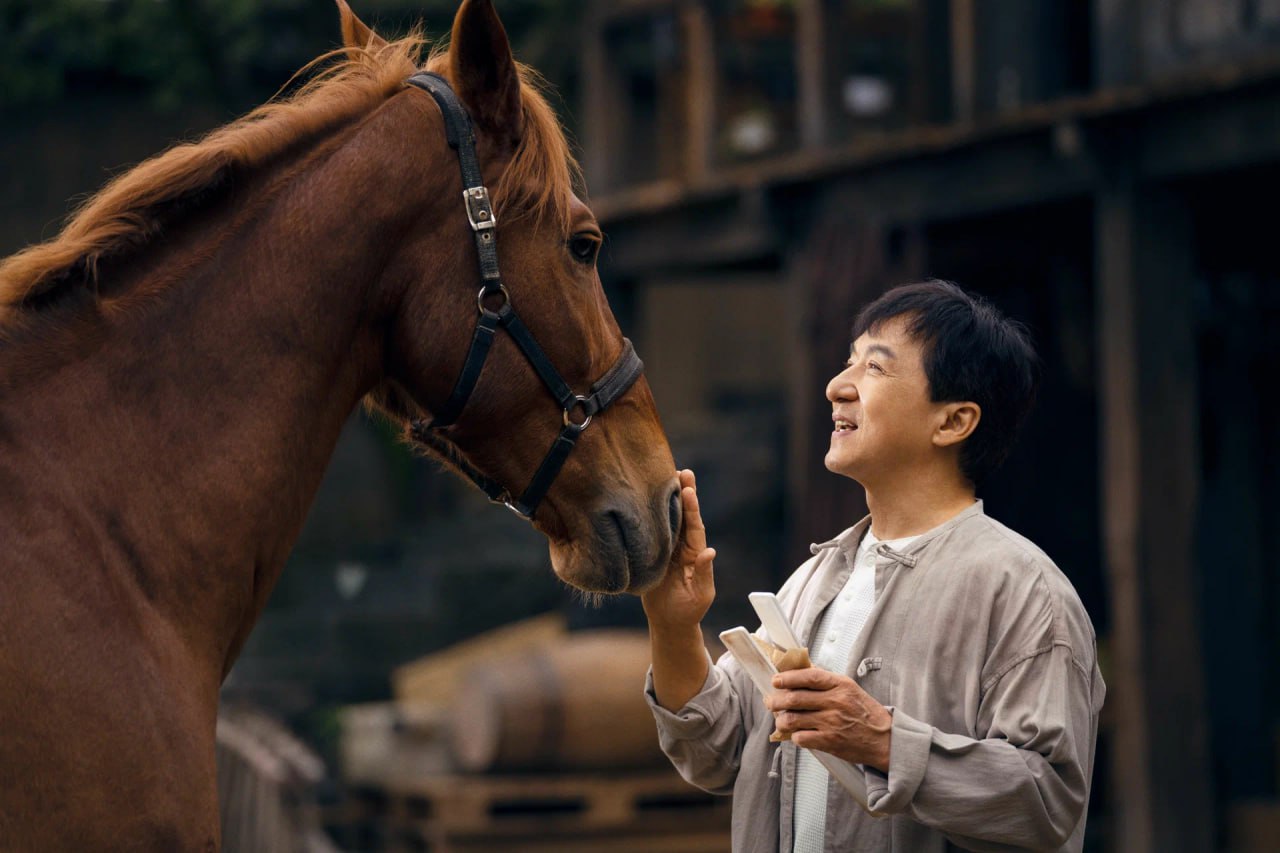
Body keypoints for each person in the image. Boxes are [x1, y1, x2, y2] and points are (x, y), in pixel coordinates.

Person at [642, 280, 1104, 852]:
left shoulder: (1025, 592)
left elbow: (1048, 804)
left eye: (876, 369)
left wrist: (884, 742)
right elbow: (713, 754)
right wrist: (673, 625)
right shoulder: (813, 579)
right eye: (847, 362)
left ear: (953, 422)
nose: (837, 387)